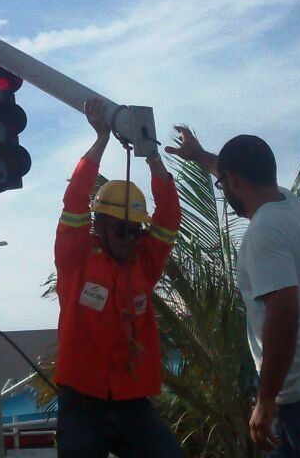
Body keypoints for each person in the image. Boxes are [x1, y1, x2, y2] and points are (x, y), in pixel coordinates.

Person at [166, 127, 300, 457]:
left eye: (222, 184)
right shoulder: (291, 205)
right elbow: (232, 173)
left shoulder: (264, 232)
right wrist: (200, 156)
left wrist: (266, 398)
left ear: (236, 181)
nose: (223, 191)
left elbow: (284, 316)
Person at [52, 98, 183, 457]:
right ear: (100, 226)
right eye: (122, 230)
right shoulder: (75, 258)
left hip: (131, 401)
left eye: (136, 231)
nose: (131, 238)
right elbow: (75, 201)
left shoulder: (143, 263)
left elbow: (169, 217)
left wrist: (151, 155)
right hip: (82, 402)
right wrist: (101, 140)